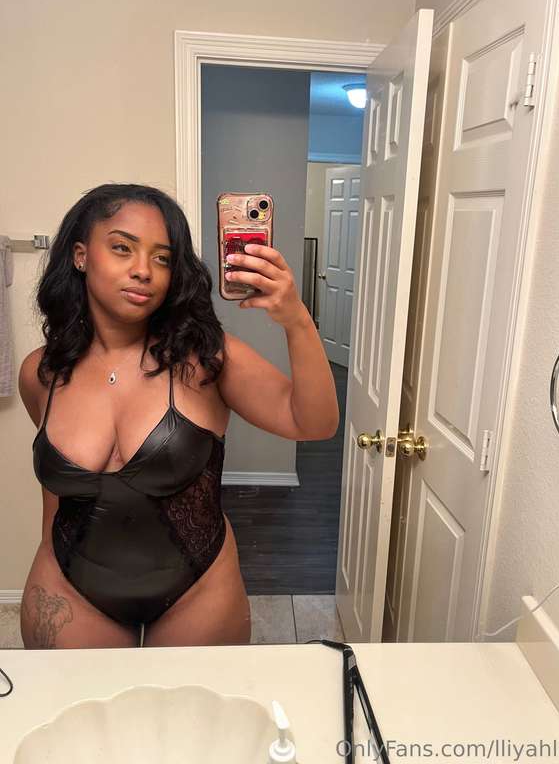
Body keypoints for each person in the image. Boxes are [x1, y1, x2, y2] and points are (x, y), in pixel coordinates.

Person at [18, 183, 339, 649]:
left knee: (194, 702)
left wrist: (296, 320)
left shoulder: (207, 360)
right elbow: (56, 497)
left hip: (198, 592)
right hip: (69, 588)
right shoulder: (41, 373)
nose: (143, 270)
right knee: (77, 701)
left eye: (163, 258)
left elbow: (314, 423)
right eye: (122, 248)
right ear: (81, 256)